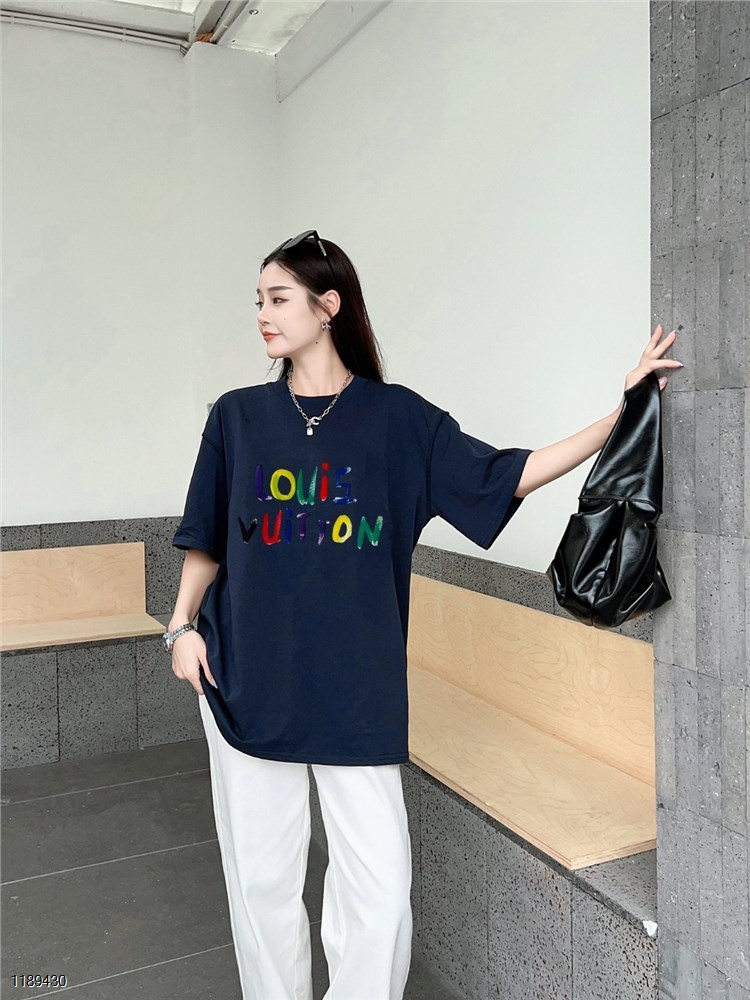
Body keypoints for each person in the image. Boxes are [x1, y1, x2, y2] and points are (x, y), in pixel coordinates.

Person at [166, 231, 682, 1000]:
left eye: (278, 299)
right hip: (245, 675)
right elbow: (205, 536)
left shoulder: (396, 419)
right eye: (259, 301)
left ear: (328, 306)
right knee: (261, 882)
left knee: (378, 891)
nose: (263, 316)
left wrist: (623, 411)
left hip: (357, 689)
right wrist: (181, 628)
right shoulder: (236, 418)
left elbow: (507, 474)